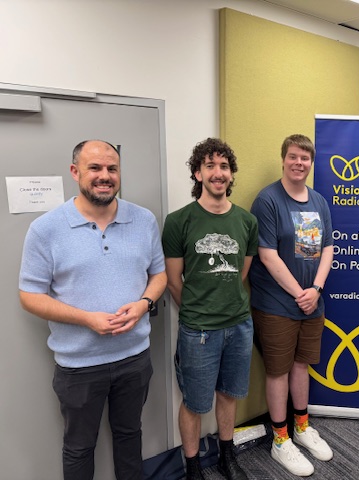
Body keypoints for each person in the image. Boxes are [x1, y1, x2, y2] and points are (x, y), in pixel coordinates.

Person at [18, 140, 167, 480]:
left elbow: (158, 275)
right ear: (75, 172)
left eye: (112, 169)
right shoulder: (46, 229)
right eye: (95, 168)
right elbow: (29, 295)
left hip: (134, 359)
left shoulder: (143, 220)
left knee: (131, 436)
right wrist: (86, 319)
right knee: (79, 447)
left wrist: (144, 304)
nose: (105, 176)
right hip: (79, 366)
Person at [162, 138, 258, 480]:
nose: (218, 173)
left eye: (224, 166)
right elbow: (174, 282)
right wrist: (200, 312)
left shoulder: (246, 223)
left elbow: (239, 274)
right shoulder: (179, 222)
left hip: (240, 325)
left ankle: (226, 456)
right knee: (194, 402)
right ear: (197, 173)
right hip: (198, 331)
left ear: (231, 175)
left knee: (229, 395)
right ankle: (192, 467)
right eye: (210, 166)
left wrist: (222, 302)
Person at [249, 134, 334, 477]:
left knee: (302, 365)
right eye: (294, 157)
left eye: (306, 158)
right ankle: (280, 438)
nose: (300, 163)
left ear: (311, 163)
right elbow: (267, 255)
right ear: (283, 158)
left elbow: (328, 247)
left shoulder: (318, 201)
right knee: (278, 370)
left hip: (312, 302)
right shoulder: (267, 200)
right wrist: (301, 292)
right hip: (276, 304)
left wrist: (315, 289)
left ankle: (302, 427)